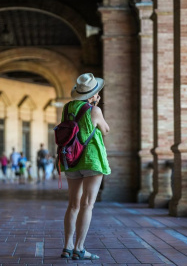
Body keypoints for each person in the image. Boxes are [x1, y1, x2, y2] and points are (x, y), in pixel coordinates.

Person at [60, 73, 110, 260]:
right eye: (97, 93)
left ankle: (67, 246)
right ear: (93, 95)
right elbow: (105, 130)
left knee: (73, 204)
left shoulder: (67, 108)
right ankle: (79, 248)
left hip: (71, 159)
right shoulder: (94, 110)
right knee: (87, 205)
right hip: (91, 159)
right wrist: (95, 108)